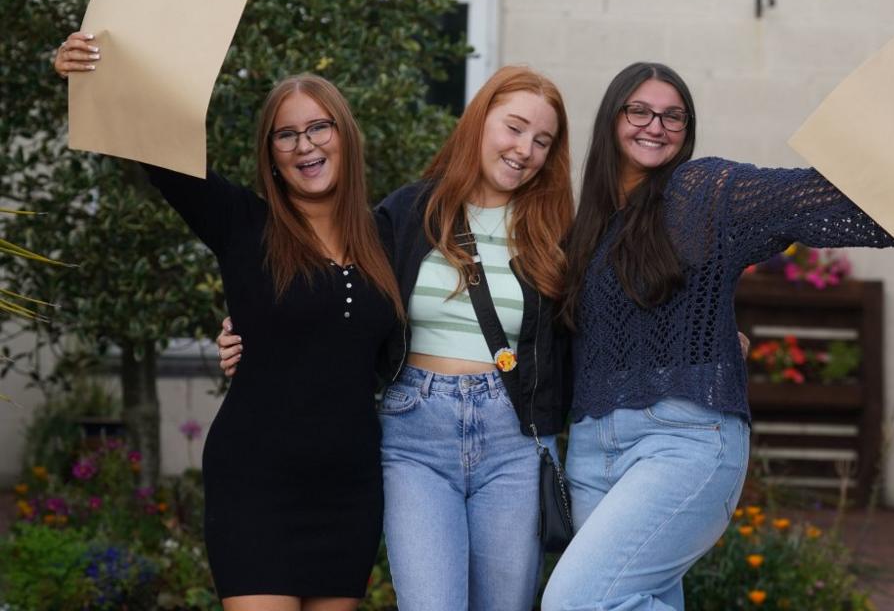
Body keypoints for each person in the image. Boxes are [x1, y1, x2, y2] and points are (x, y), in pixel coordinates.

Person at [539, 61, 894, 611]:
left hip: (682, 441)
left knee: (576, 601)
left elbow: (814, 200)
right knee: (629, 597)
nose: (655, 126)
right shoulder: (584, 225)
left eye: (673, 116)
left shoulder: (703, 194)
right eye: (640, 110)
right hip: (591, 452)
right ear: (612, 118)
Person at [55, 32, 404, 611]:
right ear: (270, 154)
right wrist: (84, 68)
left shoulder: (389, 236)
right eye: (286, 135)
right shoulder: (243, 224)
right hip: (255, 484)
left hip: (349, 490)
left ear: (345, 136)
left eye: (320, 127)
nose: (305, 145)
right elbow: (153, 141)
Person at [218, 65, 576, 611]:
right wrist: (251, 337)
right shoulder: (405, 214)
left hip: (515, 441)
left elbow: (599, 322)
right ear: (480, 123)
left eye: (542, 140)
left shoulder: (557, 233)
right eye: (514, 127)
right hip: (416, 434)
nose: (524, 148)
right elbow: (334, 298)